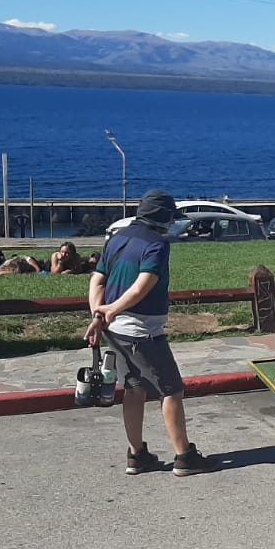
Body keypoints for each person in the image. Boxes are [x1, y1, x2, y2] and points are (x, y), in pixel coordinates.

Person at [84, 189, 210, 477]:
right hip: (142, 330)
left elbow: (97, 280)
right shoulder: (158, 244)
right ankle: (184, 456)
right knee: (171, 389)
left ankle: (137, 454)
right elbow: (144, 284)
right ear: (164, 218)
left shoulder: (117, 238)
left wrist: (99, 313)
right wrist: (113, 309)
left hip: (115, 330)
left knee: (134, 388)